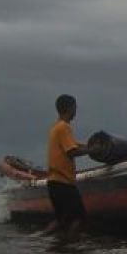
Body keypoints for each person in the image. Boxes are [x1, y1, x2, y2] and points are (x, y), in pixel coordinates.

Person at [42, 94, 97, 236]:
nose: (76, 111)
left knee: (61, 220)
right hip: (63, 183)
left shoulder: (55, 128)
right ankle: (70, 247)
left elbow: (74, 144)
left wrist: (89, 146)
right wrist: (92, 150)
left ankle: (37, 239)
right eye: (75, 108)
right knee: (79, 218)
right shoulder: (64, 127)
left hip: (54, 182)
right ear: (70, 108)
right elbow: (72, 151)